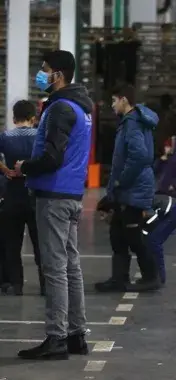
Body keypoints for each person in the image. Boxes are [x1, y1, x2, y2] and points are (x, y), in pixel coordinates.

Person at [15, 50, 93, 360]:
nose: (41, 74)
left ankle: (57, 338)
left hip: (54, 196)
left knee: (55, 269)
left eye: (44, 70)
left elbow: (51, 158)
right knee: (71, 266)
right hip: (72, 195)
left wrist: (25, 167)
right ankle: (76, 335)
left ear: (58, 74)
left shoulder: (60, 108)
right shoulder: (81, 107)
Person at [94, 84, 161, 293]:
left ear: (124, 100)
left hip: (134, 188)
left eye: (114, 101)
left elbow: (140, 156)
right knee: (118, 234)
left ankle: (151, 276)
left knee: (133, 235)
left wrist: (120, 181)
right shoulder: (130, 122)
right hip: (129, 188)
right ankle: (118, 278)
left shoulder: (132, 123)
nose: (113, 106)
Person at [96, 194, 176, 285]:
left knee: (153, 241)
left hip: (175, 210)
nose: (101, 219)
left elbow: (151, 219)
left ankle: (159, 277)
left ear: (111, 212)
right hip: (172, 208)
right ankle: (156, 275)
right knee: (149, 240)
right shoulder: (126, 207)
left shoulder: (133, 208)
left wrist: (143, 233)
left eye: (102, 215)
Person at [0, 100, 43, 296]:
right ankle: (46, 284)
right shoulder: (40, 137)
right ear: (33, 118)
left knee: (12, 243)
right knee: (40, 243)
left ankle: (15, 284)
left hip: (12, 194)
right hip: (36, 193)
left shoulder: (5, 137)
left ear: (13, 117)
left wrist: (5, 170)